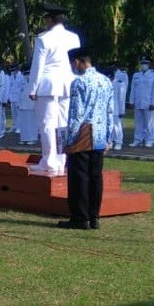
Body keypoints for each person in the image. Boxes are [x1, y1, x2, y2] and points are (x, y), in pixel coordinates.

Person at [59, 48, 113, 230]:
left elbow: (76, 114)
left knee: (79, 177)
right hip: (99, 133)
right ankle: (94, 216)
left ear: (77, 62)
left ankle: (79, 217)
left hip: (83, 133)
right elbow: (110, 111)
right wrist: (109, 137)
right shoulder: (106, 81)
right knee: (95, 177)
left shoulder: (79, 82)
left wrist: (69, 140)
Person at [27, 3, 81, 174]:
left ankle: (49, 160)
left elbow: (38, 67)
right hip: (69, 83)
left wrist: (32, 89)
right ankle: (61, 159)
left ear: (50, 20)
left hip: (48, 84)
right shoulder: (74, 37)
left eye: (46, 19)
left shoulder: (44, 38)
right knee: (63, 124)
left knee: (47, 124)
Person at [129, 58, 154, 148]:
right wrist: (131, 101)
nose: (143, 65)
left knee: (149, 123)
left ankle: (150, 140)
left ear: (149, 65)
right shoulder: (136, 75)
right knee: (138, 122)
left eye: (145, 64)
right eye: (142, 63)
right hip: (138, 102)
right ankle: (138, 140)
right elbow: (133, 89)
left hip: (149, 102)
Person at [109, 64, 129, 150]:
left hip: (116, 108)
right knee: (109, 126)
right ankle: (110, 141)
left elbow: (122, 98)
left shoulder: (120, 83)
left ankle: (119, 142)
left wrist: (122, 111)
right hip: (107, 108)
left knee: (117, 126)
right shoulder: (107, 81)